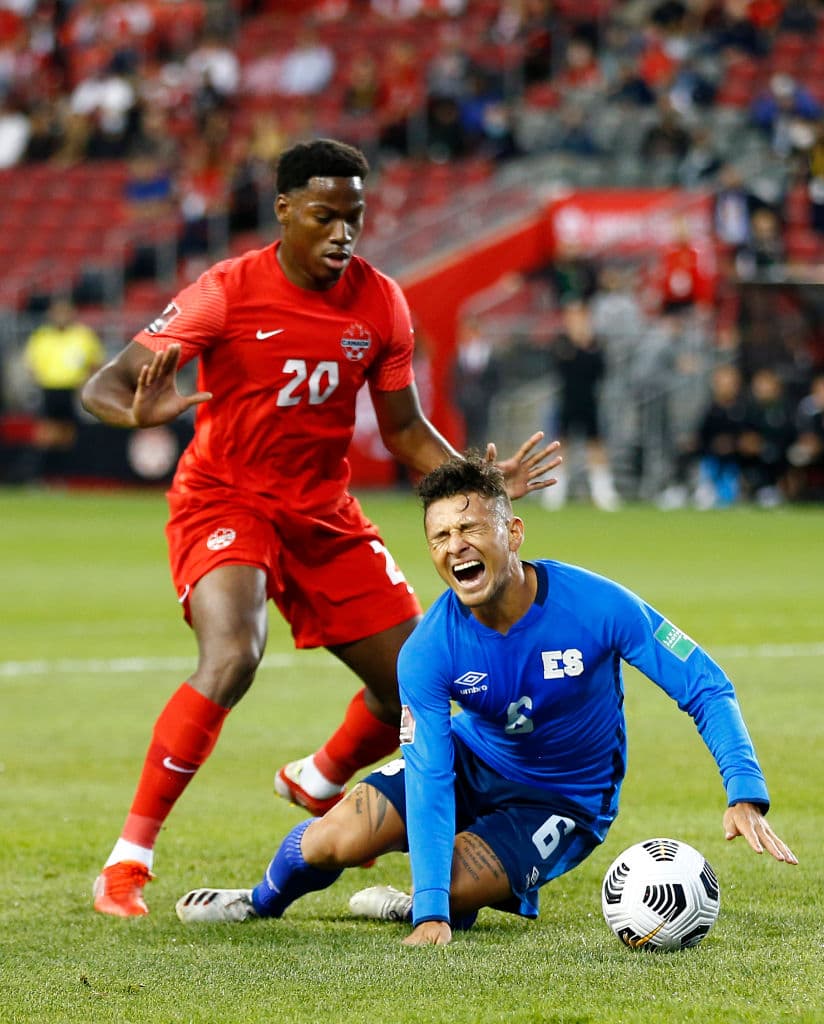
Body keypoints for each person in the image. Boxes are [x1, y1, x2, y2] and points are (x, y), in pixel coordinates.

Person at [80, 138, 560, 918]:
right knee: (234, 654)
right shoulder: (226, 291)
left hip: (323, 512)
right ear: (284, 212)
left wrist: (477, 483)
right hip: (225, 499)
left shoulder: (380, 303)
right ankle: (126, 863)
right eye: (325, 215)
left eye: (355, 217)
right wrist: (134, 409)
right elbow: (106, 383)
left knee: (416, 677)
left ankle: (321, 775)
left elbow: (404, 432)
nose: (343, 232)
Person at [174, 454, 796, 945]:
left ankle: (424, 898)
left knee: (450, 884)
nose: (455, 545)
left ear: (513, 531)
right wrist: (431, 917)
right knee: (333, 840)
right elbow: (430, 775)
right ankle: (257, 903)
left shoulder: (599, 606)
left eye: (470, 526)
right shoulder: (427, 651)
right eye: (441, 535)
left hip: (563, 799)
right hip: (474, 762)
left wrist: (744, 791)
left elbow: (705, 684)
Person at [23, 297, 106, 479]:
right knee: (46, 433)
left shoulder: (83, 335)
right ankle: (41, 474)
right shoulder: (42, 336)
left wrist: (86, 384)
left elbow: (96, 363)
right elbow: (31, 365)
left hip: (73, 390)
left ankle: (65, 474)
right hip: (49, 389)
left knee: (69, 434)